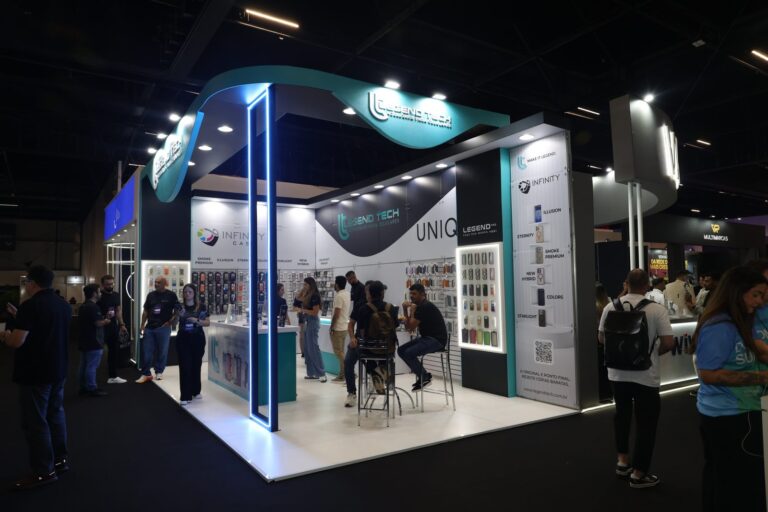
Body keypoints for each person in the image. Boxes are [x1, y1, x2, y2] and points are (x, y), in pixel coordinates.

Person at [691, 266, 768, 511]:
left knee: (726, 477)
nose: (760, 301)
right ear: (737, 292)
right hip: (728, 415)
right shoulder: (719, 325)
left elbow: (757, 352)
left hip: (740, 411)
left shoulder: (740, 322)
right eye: (756, 294)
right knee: (733, 482)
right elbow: (709, 374)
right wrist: (760, 377)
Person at [598, 268, 674, 489]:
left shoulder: (610, 307)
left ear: (626, 283)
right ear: (647, 285)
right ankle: (639, 474)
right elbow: (668, 343)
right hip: (646, 375)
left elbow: (601, 339)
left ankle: (622, 462)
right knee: (646, 422)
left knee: (621, 417)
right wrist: (650, 354)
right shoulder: (657, 310)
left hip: (617, 373)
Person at [0, 266, 71, 490]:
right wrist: (19, 316)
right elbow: (44, 328)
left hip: (35, 373)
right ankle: (60, 461)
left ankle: (43, 471)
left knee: (36, 422)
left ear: (32, 283)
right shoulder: (62, 305)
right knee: (55, 415)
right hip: (58, 369)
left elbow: (16, 341)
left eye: (27, 283)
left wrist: (4, 335)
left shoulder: (31, 306)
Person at [344, 281, 398, 407]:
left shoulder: (362, 308)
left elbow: (361, 332)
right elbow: (394, 328)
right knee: (379, 358)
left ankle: (352, 392)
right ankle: (380, 375)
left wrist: (354, 339)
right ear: (382, 293)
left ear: (369, 293)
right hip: (387, 349)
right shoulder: (391, 308)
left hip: (367, 347)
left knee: (349, 361)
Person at [399, 283, 448, 391]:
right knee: (401, 350)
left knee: (408, 353)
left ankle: (424, 377)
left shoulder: (424, 307)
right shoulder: (419, 306)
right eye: (411, 294)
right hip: (427, 338)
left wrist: (411, 311)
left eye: (414, 294)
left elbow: (410, 327)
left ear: (422, 294)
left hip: (436, 340)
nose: (411, 296)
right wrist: (405, 309)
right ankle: (423, 376)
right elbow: (409, 328)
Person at [137, 276, 178, 383]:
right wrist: (142, 325)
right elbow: (145, 311)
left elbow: (177, 311)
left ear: (165, 283)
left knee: (162, 351)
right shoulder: (150, 295)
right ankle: (146, 373)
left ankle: (159, 371)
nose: (156, 284)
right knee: (147, 352)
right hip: (149, 328)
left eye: (158, 282)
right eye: (155, 282)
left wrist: (170, 322)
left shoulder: (171, 295)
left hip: (163, 328)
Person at [176, 284, 209, 405]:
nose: (187, 294)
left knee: (196, 364)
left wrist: (197, 321)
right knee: (185, 366)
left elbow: (207, 322)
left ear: (194, 293)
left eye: (190, 292)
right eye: (185, 292)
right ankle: (185, 396)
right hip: (183, 339)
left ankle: (196, 390)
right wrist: (177, 316)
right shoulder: (179, 307)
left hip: (197, 339)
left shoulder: (201, 306)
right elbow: (173, 323)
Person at [78, 284, 110, 397]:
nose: (101, 294)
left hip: (84, 340)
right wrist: (106, 321)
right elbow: (98, 323)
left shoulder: (83, 306)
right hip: (94, 341)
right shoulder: (93, 307)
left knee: (83, 365)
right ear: (94, 293)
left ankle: (83, 387)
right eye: (99, 292)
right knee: (92, 366)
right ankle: (91, 388)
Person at [97, 274, 128, 384]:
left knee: (113, 352)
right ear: (102, 284)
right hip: (101, 327)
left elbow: (118, 310)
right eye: (107, 284)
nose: (110, 286)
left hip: (113, 327)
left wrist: (122, 324)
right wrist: (102, 319)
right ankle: (91, 380)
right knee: (97, 353)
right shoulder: (99, 296)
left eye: (111, 284)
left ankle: (113, 376)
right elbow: (94, 312)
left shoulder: (116, 295)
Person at [299, 277, 326, 382]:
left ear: (311, 285)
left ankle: (321, 373)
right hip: (307, 322)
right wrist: (303, 289)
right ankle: (312, 373)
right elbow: (298, 297)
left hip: (312, 322)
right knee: (307, 349)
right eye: (303, 284)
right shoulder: (307, 295)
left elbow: (315, 312)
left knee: (313, 349)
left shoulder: (315, 296)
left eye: (306, 284)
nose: (304, 286)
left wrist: (303, 310)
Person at [329, 275, 350, 382]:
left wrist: (332, 327)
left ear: (337, 284)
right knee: (341, 352)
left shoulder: (339, 296)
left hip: (338, 328)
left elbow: (336, 314)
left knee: (339, 352)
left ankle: (345, 373)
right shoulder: (347, 294)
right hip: (344, 327)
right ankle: (345, 373)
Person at [595, 282, 612, 402]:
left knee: (600, 369)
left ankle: (602, 395)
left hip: (598, 340)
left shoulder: (594, 306)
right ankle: (608, 393)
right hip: (609, 339)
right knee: (606, 368)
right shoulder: (609, 305)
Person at [292, 284, 306, 357]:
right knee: (302, 335)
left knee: (306, 336)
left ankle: (306, 352)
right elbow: (294, 307)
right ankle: (303, 352)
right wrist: (299, 310)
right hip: (302, 317)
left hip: (309, 318)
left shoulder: (310, 297)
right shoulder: (298, 297)